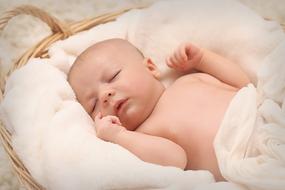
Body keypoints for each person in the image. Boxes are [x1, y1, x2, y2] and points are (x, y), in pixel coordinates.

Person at [67, 38, 250, 181]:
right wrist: (117, 135)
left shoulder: (188, 80)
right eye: (93, 104)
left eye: (113, 76)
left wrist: (202, 59)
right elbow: (176, 160)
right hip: (248, 160)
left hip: (266, 118)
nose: (104, 95)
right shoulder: (143, 135)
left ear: (151, 67)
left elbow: (243, 85)